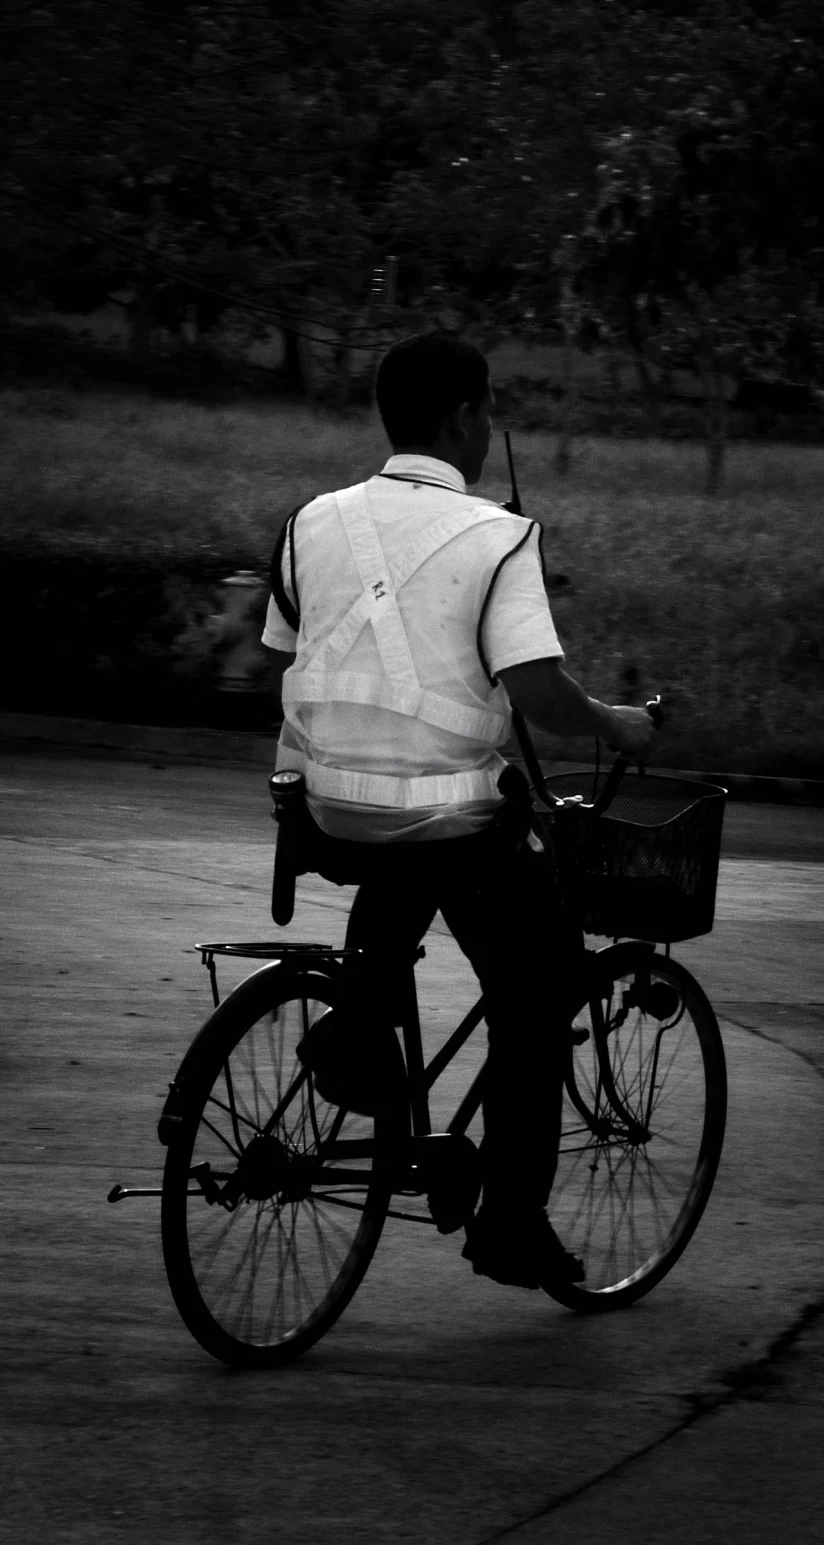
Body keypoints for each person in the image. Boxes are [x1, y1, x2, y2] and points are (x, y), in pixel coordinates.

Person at [258, 331, 655, 1290]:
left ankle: (354, 1032)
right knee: (542, 988)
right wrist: (621, 727)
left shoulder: (311, 519)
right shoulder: (499, 535)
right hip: (448, 818)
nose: (488, 426)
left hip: (318, 805)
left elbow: (283, 652)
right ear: (463, 418)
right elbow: (539, 693)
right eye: (486, 409)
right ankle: (510, 1224)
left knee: (399, 853)